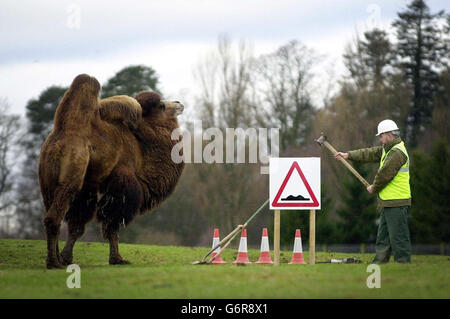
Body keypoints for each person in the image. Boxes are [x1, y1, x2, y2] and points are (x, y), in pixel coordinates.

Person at [335, 119, 412, 263]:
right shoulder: (387, 149)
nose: (380, 139)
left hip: (397, 201)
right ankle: (380, 262)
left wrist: (374, 187)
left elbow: (385, 174)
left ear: (389, 135)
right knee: (383, 236)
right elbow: (368, 153)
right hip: (387, 202)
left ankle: (403, 263)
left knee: (398, 236)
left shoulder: (397, 153)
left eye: (381, 136)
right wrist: (348, 155)